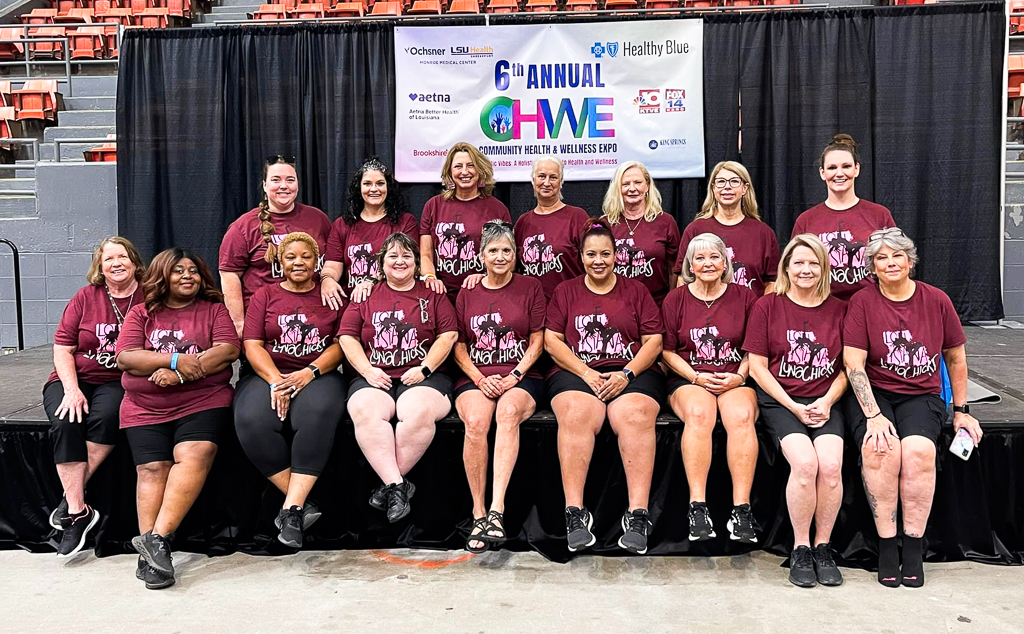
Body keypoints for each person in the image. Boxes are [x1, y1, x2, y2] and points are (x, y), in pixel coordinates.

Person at [843, 228, 982, 588]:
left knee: (918, 451)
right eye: (881, 258)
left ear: (910, 261)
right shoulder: (862, 301)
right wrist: (873, 415)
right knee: (881, 449)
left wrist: (962, 410)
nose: (890, 263)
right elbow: (854, 364)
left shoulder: (936, 300)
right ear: (872, 266)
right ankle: (888, 545)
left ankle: (914, 546)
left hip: (921, 394)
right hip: (876, 394)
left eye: (896, 256)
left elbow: (955, 357)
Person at [116, 248, 240, 590]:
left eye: (193, 271)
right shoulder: (141, 313)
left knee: (195, 452)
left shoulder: (214, 310)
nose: (188, 277)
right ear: (161, 277)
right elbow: (126, 357)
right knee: (152, 469)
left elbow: (228, 350)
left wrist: (183, 375)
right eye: (178, 271)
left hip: (202, 400)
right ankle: (152, 552)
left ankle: (156, 540)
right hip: (144, 406)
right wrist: (173, 360)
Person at [545, 219, 665, 555]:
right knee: (578, 412)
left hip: (631, 371)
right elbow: (551, 341)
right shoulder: (565, 291)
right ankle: (575, 513)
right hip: (578, 371)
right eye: (591, 254)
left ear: (617, 255)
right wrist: (585, 373)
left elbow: (653, 340)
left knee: (635, 414)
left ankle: (637, 514)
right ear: (581, 256)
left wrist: (626, 374)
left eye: (606, 253)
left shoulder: (636, 291)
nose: (599, 260)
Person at [744, 234, 848, 588]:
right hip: (782, 401)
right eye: (798, 263)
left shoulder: (839, 309)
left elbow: (848, 368)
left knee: (831, 466)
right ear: (786, 266)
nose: (806, 270)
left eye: (813, 263)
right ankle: (801, 547)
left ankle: (824, 547)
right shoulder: (767, 306)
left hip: (824, 400)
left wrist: (827, 401)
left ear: (824, 268)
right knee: (805, 464)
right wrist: (792, 405)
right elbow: (757, 367)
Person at [235, 233, 346, 549]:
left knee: (318, 414)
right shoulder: (265, 295)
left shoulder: (331, 295)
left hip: (318, 373)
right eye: (291, 257)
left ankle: (291, 508)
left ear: (317, 261)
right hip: (269, 373)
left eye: (306, 257)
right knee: (251, 420)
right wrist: (275, 380)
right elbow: (252, 344)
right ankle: (299, 506)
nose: (298, 262)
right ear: (280, 262)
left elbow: (342, 343)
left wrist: (308, 373)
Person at [338, 232, 459, 523]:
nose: (400, 261)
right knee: (365, 411)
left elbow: (449, 334)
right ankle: (398, 485)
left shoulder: (432, 294)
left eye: (407, 256)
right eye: (392, 256)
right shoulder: (365, 294)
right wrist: (367, 370)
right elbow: (347, 337)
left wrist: (425, 369)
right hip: (375, 375)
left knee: (414, 411)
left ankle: (390, 486)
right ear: (381, 263)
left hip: (426, 376)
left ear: (417, 263)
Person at [42, 236, 145, 558]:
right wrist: (71, 389)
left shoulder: (150, 295)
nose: (116, 263)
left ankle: (70, 503)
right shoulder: (85, 297)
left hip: (119, 379)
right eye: (108, 259)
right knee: (65, 420)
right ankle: (77, 510)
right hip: (75, 377)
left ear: (133, 261)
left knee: (107, 416)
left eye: (122, 257)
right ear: (99, 267)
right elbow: (63, 348)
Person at [453, 221, 546, 552]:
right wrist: (479, 378)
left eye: (507, 250)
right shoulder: (468, 292)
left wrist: (515, 376)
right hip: (475, 376)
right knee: (477, 422)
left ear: (516, 254)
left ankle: (497, 510)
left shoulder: (530, 287)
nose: (501, 255)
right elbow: (458, 343)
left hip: (521, 377)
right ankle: (478, 513)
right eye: (493, 250)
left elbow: (538, 340)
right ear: (481, 255)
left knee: (507, 413)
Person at [662, 233, 760, 545]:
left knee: (742, 416)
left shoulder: (745, 297)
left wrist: (741, 377)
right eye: (699, 258)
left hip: (733, 377)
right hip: (690, 377)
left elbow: (754, 349)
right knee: (699, 412)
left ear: (725, 262)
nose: (707, 264)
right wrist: (694, 377)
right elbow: (666, 351)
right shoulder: (675, 299)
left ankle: (741, 510)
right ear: (689, 264)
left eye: (714, 257)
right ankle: (698, 507)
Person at [220, 155, 334, 335]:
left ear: (297, 184)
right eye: (276, 180)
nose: (283, 186)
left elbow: (334, 261)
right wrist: (239, 323)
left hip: (314, 318)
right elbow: (229, 274)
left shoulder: (318, 219)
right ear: (264, 185)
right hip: (264, 322)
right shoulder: (243, 227)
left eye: (290, 180)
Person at [792, 134, 896, 301]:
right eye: (832, 168)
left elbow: (894, 264)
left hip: (871, 305)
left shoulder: (880, 215)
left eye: (846, 166)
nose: (839, 173)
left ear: (857, 169)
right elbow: (794, 270)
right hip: (821, 306)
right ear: (822, 173)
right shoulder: (805, 221)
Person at [419, 142, 511, 304]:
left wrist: (486, 277)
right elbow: (426, 254)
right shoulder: (433, 205)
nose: (464, 172)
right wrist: (430, 278)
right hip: (442, 295)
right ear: (449, 172)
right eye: (458, 166)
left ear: (480, 170)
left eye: (471, 165)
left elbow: (508, 256)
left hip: (483, 293)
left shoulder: (497, 208)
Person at [322, 157, 419, 305]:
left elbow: (407, 263)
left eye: (380, 183)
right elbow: (332, 266)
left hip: (393, 302)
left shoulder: (406, 222)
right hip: (353, 304)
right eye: (367, 184)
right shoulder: (342, 225)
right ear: (359, 188)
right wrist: (327, 279)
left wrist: (371, 280)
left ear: (388, 188)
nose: (374, 189)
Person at [675, 161, 780, 296]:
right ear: (713, 188)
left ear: (745, 188)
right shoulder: (695, 229)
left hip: (751, 314)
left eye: (734, 181)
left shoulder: (763, 233)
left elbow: (772, 283)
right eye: (721, 182)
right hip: (705, 314)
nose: (727, 187)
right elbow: (682, 279)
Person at [513, 156, 592, 300]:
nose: (547, 182)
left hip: (571, 303)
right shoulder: (523, 222)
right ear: (533, 180)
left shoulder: (577, 217)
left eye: (553, 177)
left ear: (561, 182)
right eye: (542, 176)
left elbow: (593, 262)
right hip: (534, 307)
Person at [601, 160, 680, 304]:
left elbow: (674, 269)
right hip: (614, 303)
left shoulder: (665, 222)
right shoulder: (605, 224)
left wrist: (671, 303)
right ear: (617, 188)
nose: (632, 188)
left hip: (656, 304)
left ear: (647, 186)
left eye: (638, 182)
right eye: (625, 184)